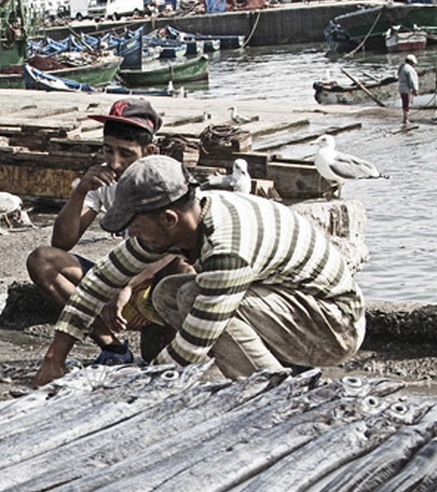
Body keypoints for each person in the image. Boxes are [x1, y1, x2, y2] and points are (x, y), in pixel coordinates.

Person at [41, 155, 364, 382]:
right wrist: (54, 359)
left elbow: (194, 343)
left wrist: (136, 383)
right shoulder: (182, 218)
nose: (132, 236)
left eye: (135, 227)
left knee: (199, 304)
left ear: (168, 219)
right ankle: (271, 373)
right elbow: (99, 282)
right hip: (286, 305)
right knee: (170, 292)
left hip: (334, 326)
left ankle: (273, 392)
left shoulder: (228, 247)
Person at [26, 98, 166, 368]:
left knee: (158, 357)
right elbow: (62, 242)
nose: (114, 163)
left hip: (157, 284)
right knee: (42, 260)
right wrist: (80, 191)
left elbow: (176, 252)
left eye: (126, 154)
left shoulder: (165, 182)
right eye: (108, 151)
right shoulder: (104, 180)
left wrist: (128, 285)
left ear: (149, 151)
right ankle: (111, 345)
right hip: (122, 281)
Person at [397, 54, 420, 127]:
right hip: (406, 89)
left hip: (402, 88)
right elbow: (412, 80)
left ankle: (406, 118)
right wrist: (415, 89)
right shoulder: (409, 69)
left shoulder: (402, 67)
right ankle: (406, 119)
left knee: (405, 103)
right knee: (407, 104)